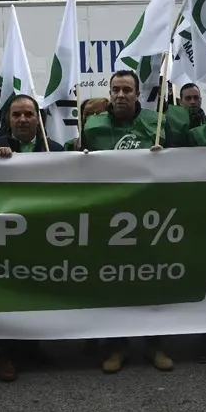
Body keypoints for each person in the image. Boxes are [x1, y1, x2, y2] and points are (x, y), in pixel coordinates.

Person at [82, 70, 175, 373]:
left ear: (137, 94)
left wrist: (166, 155)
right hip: (109, 218)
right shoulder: (93, 125)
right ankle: (116, 346)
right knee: (114, 282)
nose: (121, 95)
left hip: (150, 216)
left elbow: (183, 162)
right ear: (109, 93)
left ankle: (154, 345)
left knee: (153, 280)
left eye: (127, 90)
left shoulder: (156, 122)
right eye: (115, 90)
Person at [0, 95, 65, 382]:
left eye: (29, 114)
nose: (23, 120)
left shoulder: (54, 151)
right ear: (8, 119)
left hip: (42, 237)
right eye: (17, 114)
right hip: (6, 238)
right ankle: (7, 352)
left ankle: (32, 346)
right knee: (7, 295)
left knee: (36, 292)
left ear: (39, 118)